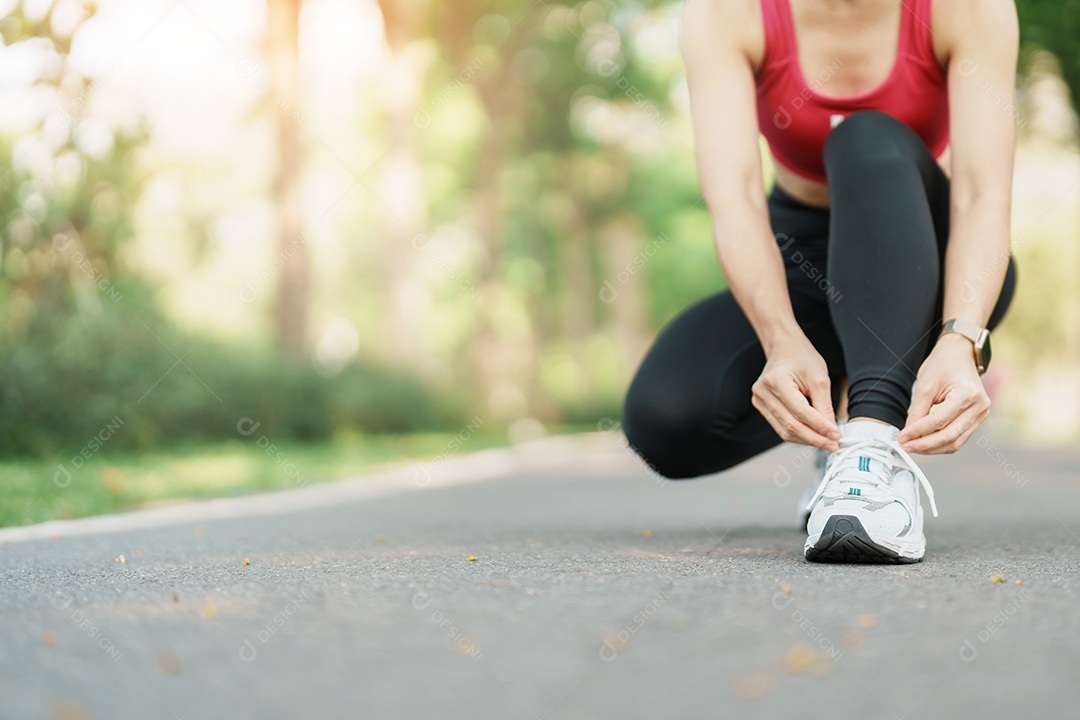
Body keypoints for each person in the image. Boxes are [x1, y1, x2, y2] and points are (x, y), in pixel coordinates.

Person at [621, 0, 1019, 563]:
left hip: (931, 260)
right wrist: (781, 340)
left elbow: (982, 194)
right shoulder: (726, 13)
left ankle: (871, 454)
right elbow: (735, 200)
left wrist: (960, 339)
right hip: (802, 254)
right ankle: (837, 436)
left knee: (864, 137)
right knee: (667, 418)